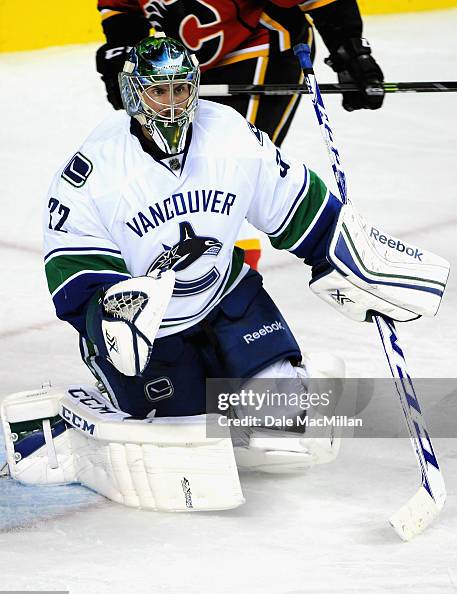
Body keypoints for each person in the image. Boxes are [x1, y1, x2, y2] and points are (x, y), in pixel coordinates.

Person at [43, 36, 439, 427]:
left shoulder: (228, 134)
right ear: (133, 95)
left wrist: (351, 258)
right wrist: (108, 317)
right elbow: (73, 267)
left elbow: (293, 203)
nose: (172, 104)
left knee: (285, 417)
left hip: (228, 298)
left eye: (181, 89)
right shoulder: (94, 171)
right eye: (158, 92)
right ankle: (112, 377)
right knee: (186, 433)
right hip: (152, 333)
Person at [95, 0, 385, 269]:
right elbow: (123, 9)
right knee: (174, 168)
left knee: (227, 171)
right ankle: (186, 275)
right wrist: (122, 54)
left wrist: (350, 51)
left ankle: (231, 289)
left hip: (263, 45)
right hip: (188, 67)